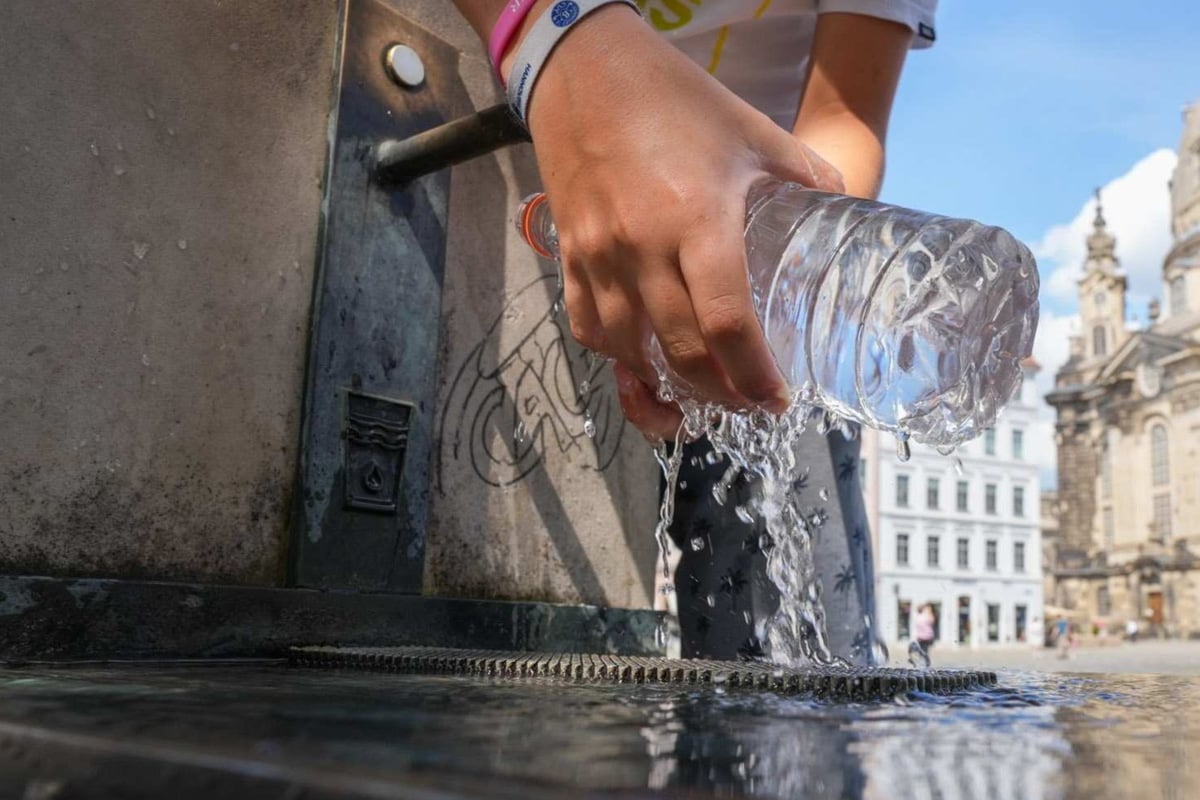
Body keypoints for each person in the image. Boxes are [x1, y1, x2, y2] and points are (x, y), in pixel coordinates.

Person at [452, 0, 937, 440]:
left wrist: (780, 303)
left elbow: (843, 112)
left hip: (731, 239)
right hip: (502, 112)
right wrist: (556, 36)